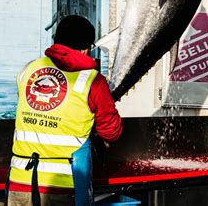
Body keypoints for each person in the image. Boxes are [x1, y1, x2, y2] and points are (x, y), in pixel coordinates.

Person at [7, 15, 122, 206]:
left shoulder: (28, 71)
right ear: (86, 48)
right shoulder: (93, 82)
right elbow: (111, 131)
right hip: (64, 186)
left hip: (20, 182)